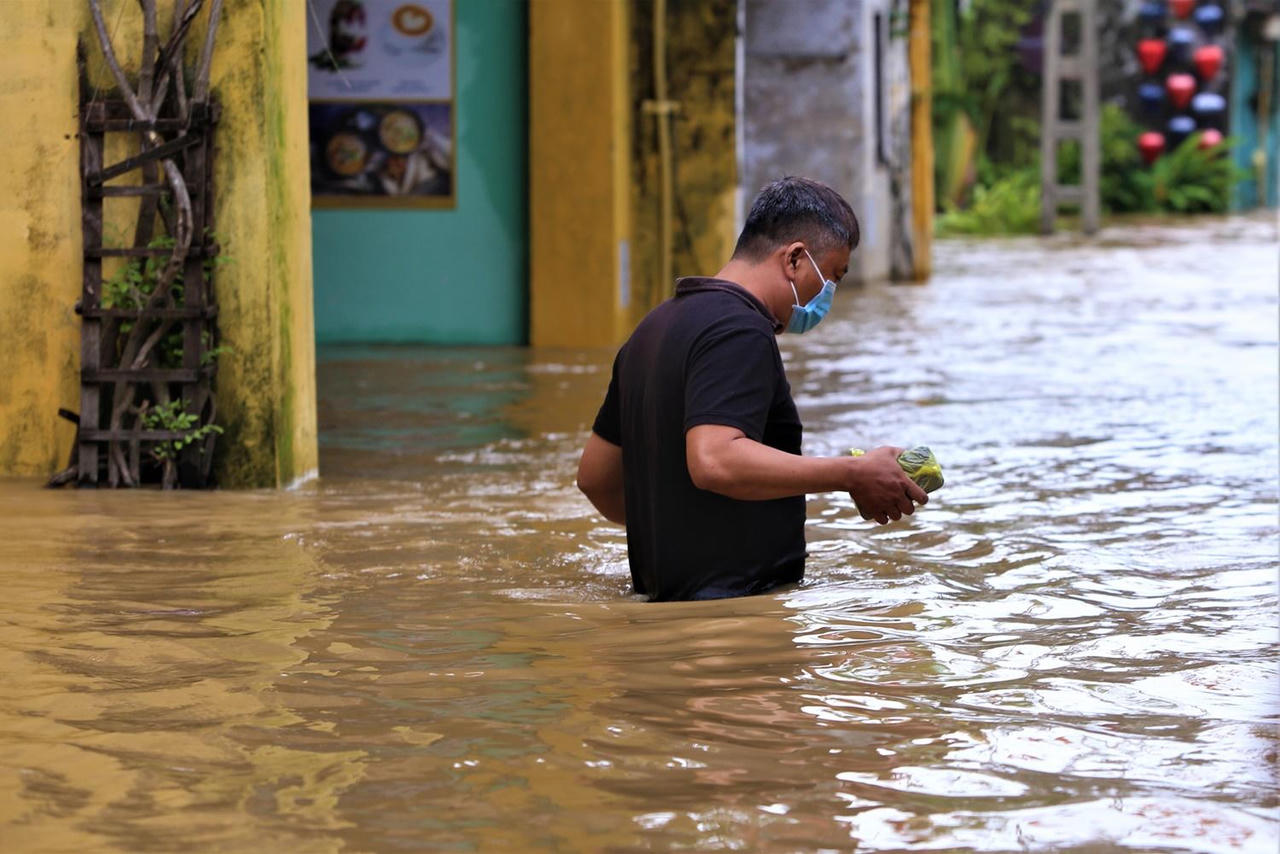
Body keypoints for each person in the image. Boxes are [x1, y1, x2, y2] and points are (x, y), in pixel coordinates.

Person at [576, 176, 929, 602]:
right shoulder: (740, 330)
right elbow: (714, 460)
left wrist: (675, 526)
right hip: (734, 617)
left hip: (668, 612)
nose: (828, 296)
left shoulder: (652, 328)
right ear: (794, 259)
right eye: (832, 277)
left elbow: (594, 478)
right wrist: (852, 474)